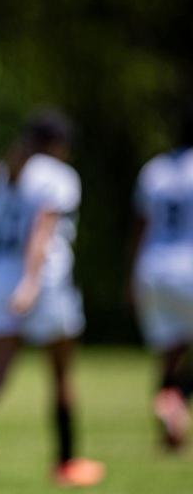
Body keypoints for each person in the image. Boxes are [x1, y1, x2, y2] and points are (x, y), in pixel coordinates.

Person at [0, 110, 104, 487]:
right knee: (61, 373)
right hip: (42, 280)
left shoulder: (5, 168)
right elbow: (43, 230)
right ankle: (67, 462)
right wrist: (31, 283)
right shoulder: (58, 175)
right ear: (59, 144)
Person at [130, 110, 193, 450]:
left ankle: (169, 408)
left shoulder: (154, 169)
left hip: (153, 267)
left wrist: (131, 276)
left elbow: (141, 226)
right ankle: (179, 398)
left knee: (169, 350)